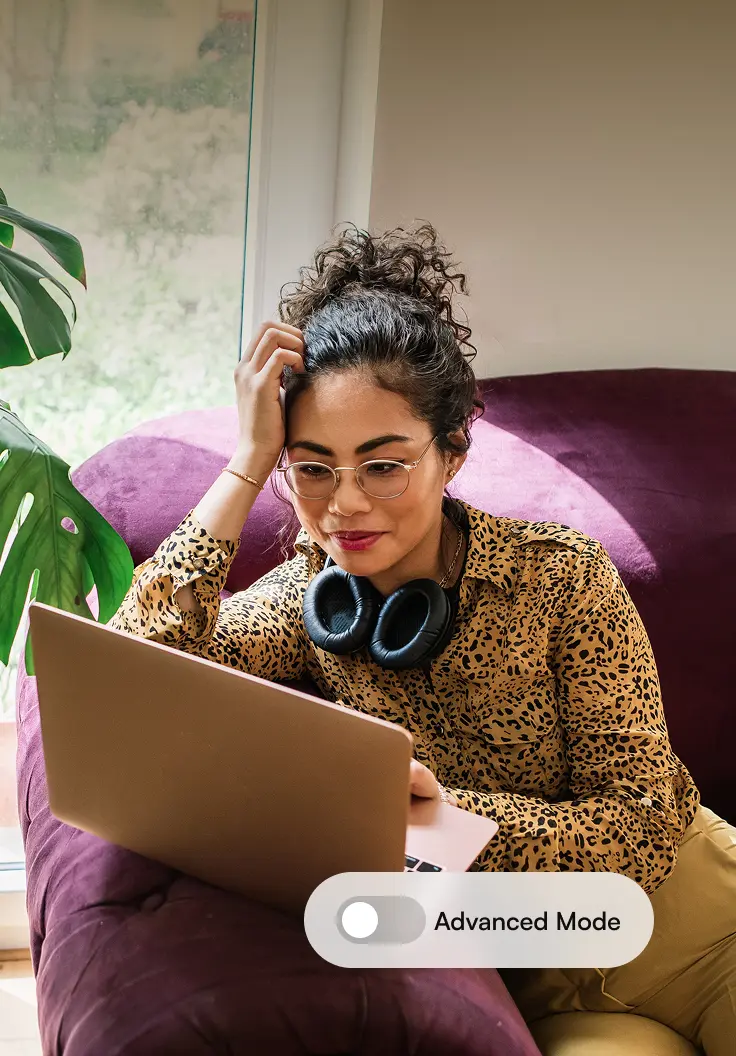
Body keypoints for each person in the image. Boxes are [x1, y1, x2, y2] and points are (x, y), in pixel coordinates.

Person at [111, 223, 735, 1055]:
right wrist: (249, 462)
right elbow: (130, 683)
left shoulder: (562, 579)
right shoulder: (309, 602)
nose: (347, 506)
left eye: (384, 463)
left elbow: (646, 826)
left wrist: (444, 823)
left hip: (702, 934)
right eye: (315, 466)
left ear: (452, 455)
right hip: (549, 989)